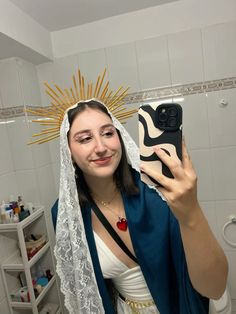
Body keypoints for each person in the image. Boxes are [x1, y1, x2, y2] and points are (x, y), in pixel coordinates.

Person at [53, 98, 228, 314]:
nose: (101, 147)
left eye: (108, 133)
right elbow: (86, 288)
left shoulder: (157, 192)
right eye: (85, 138)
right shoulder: (66, 214)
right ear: (68, 151)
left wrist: (191, 211)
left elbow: (214, 287)